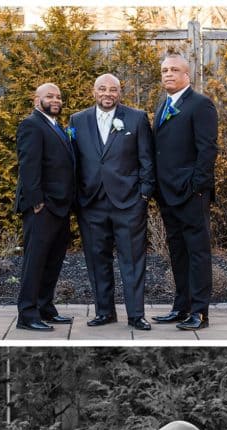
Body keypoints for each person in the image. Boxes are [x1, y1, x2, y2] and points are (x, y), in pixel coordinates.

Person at [70, 74, 155, 331]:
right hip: (91, 202)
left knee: (133, 259)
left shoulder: (136, 118)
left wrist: (144, 195)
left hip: (129, 202)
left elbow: (147, 159)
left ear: (120, 92)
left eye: (113, 89)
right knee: (97, 260)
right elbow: (73, 161)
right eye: (102, 89)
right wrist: (77, 198)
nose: (108, 93)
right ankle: (104, 312)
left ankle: (136, 315)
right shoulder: (77, 120)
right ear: (94, 91)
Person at [151, 53, 218, 332]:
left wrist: (197, 187)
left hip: (191, 194)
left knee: (198, 252)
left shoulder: (201, 105)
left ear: (186, 75)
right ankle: (181, 307)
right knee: (177, 252)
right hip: (167, 194)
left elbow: (207, 150)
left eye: (174, 69)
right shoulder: (162, 105)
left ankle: (200, 312)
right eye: (165, 69)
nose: (168, 74)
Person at [14, 82, 75, 332]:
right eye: (49, 96)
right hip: (42, 207)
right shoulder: (31, 125)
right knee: (35, 261)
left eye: (59, 96)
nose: (55, 100)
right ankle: (27, 314)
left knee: (53, 261)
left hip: (60, 206)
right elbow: (28, 166)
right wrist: (37, 202)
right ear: (36, 99)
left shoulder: (56, 126)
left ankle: (45, 307)